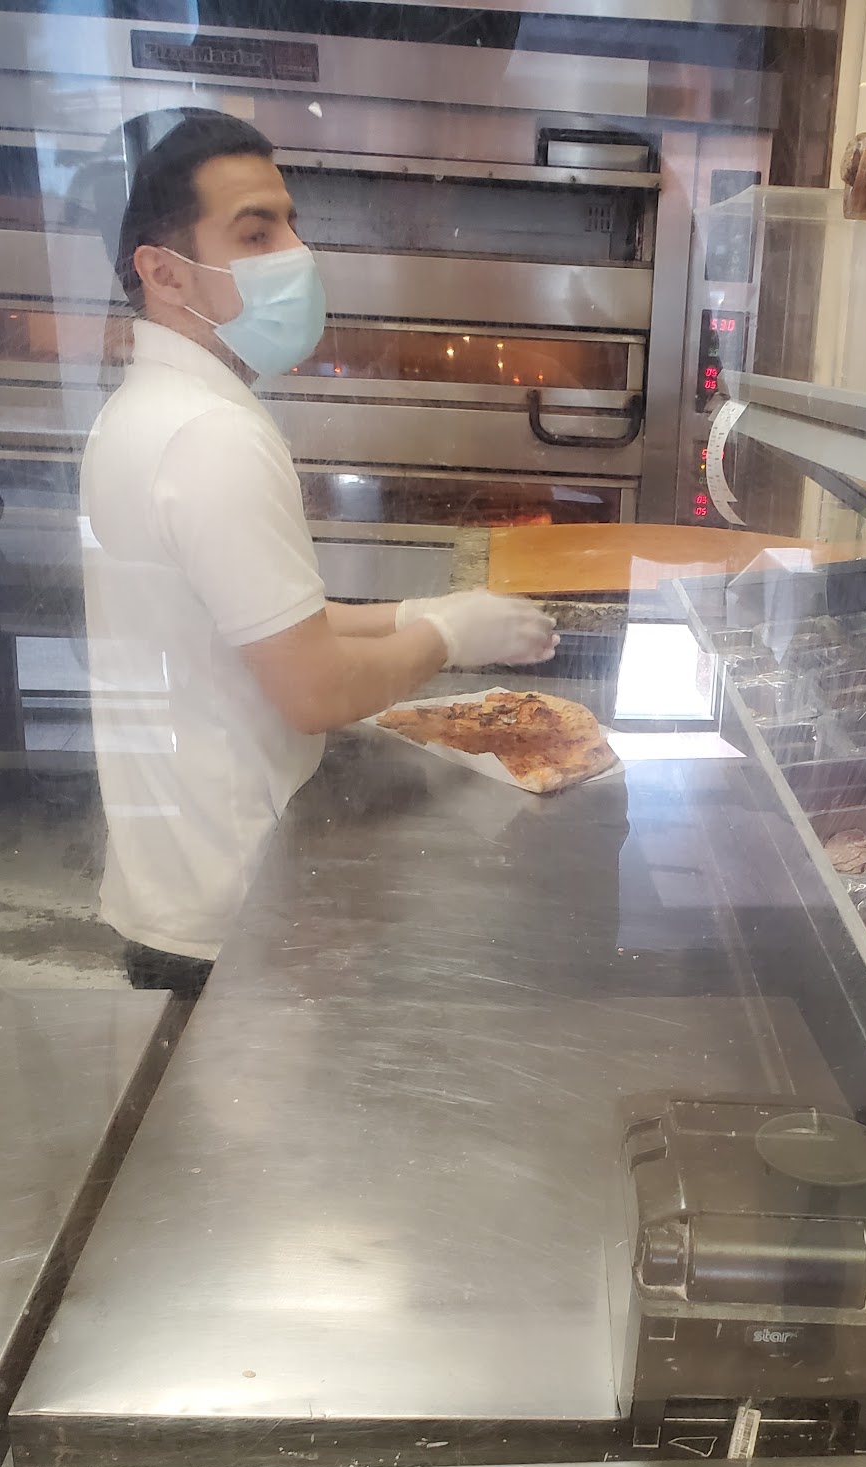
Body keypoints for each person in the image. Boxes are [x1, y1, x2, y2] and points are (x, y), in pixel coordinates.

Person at [82, 110, 557, 998]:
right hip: (231, 916)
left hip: (179, 885)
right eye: (255, 233)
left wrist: (411, 612)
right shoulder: (207, 438)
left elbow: (257, 622)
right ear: (163, 272)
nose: (296, 253)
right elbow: (316, 691)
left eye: (291, 225)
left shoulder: (143, 411)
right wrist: (448, 640)